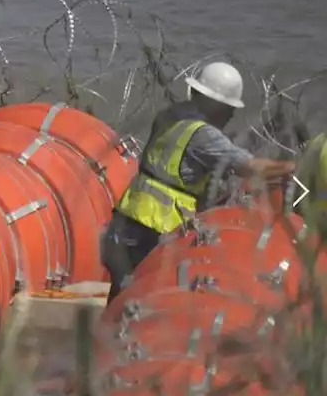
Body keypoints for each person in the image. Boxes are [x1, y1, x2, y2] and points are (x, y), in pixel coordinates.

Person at [101, 62, 296, 301]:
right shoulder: (204, 135)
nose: (232, 113)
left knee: (121, 302)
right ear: (215, 104)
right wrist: (295, 167)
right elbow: (251, 167)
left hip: (124, 223)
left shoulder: (169, 117)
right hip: (151, 231)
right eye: (228, 107)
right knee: (145, 304)